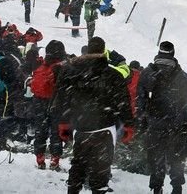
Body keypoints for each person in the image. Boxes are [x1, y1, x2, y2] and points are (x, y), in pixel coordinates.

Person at [52, 36, 134, 194]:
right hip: (105, 127)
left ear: (88, 50)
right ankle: (99, 189)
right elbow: (123, 101)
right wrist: (129, 124)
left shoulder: (72, 73)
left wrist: (63, 122)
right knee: (101, 169)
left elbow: (62, 99)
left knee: (78, 164)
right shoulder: (113, 75)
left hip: (80, 127)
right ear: (104, 52)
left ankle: (73, 189)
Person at [137, 41, 187, 194]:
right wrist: (186, 122)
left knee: (156, 157)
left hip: (154, 122)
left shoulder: (148, 72)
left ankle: (156, 187)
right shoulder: (181, 76)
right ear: (173, 53)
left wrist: (142, 119)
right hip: (176, 124)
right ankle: (177, 187)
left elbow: (141, 99)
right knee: (176, 156)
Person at [29, 40, 66, 170]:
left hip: (39, 102)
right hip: (56, 103)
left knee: (40, 131)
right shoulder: (61, 68)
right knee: (56, 133)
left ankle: (40, 158)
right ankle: (55, 159)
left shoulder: (41, 66)